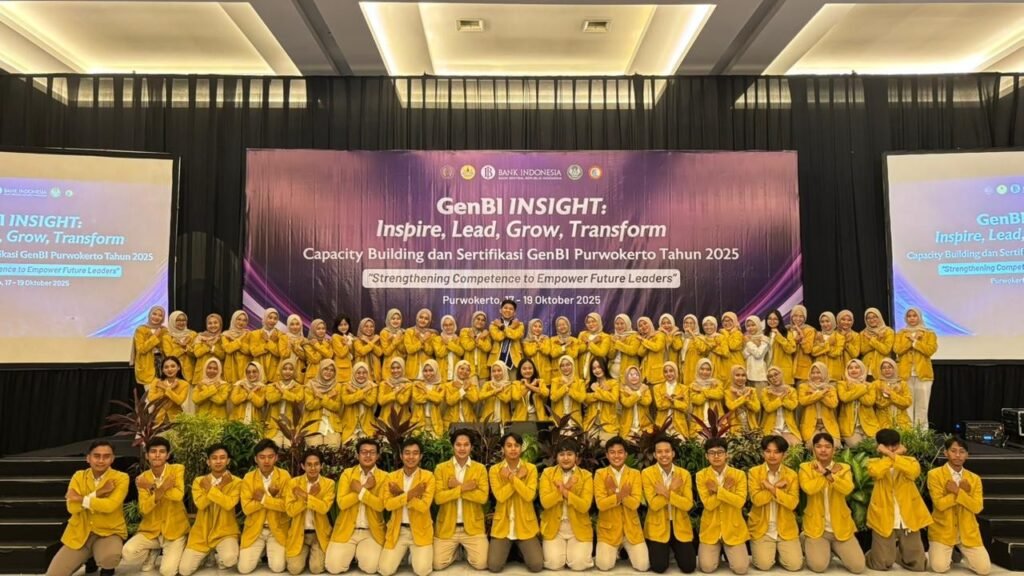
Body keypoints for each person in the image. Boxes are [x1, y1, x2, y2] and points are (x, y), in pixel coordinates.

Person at [46, 440, 129, 576]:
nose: (101, 460)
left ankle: (106, 567)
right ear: (88, 458)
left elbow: (110, 506)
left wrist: (80, 498)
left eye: (106, 456)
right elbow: (72, 508)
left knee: (109, 558)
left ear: (112, 459)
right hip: (80, 533)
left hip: (108, 532)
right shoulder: (78, 476)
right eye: (96, 456)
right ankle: (90, 558)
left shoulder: (121, 478)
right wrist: (98, 493)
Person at [865, 428, 931, 572]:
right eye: (886, 446)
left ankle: (898, 555)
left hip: (908, 516)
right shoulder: (874, 462)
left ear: (899, 444)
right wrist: (892, 455)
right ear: (879, 446)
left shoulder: (909, 461)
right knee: (881, 564)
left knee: (919, 566)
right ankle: (873, 554)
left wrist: (891, 456)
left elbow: (913, 472)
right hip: (884, 516)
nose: (890, 448)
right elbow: (875, 472)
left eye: (894, 445)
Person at [120, 437, 187, 575]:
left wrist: (151, 487)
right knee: (128, 552)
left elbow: (178, 496)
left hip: (174, 531)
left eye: (162, 451)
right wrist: (161, 487)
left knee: (167, 572)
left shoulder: (177, 469)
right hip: (151, 531)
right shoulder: (142, 479)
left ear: (167, 455)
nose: (157, 455)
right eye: (153, 451)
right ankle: (153, 551)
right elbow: (144, 508)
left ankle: (173, 548)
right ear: (147, 455)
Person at [800, 433, 865, 574]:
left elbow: (847, 488)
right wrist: (826, 474)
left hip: (841, 528)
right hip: (817, 529)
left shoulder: (844, 468)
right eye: (819, 446)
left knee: (858, 567)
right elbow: (809, 489)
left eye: (827, 446)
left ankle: (834, 549)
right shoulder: (805, 468)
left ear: (834, 450)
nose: (823, 450)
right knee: (818, 567)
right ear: (813, 449)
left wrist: (827, 474)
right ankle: (805, 538)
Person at [927, 437, 991, 575]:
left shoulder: (974, 479)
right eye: (953, 451)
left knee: (984, 569)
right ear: (946, 453)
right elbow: (940, 505)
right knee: (939, 567)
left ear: (967, 455)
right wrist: (962, 493)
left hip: (967, 532)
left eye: (962, 452)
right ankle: (950, 553)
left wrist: (957, 491)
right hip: (943, 531)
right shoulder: (934, 475)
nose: (957, 455)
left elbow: (977, 507)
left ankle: (961, 555)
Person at [325, 438, 388, 575]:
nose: (368, 455)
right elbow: (342, 503)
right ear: (357, 455)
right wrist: (366, 487)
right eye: (364, 452)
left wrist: (360, 490)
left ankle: (358, 553)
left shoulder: (384, 477)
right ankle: (352, 553)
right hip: (347, 529)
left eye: (372, 452)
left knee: (371, 568)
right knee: (333, 567)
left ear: (377, 455)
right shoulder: (347, 474)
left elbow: (380, 505)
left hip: (371, 532)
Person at [178, 444, 241, 575]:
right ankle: (208, 555)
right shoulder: (199, 481)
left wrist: (211, 489)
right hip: (201, 533)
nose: (218, 461)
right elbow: (201, 504)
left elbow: (229, 504)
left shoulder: (236, 482)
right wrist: (220, 487)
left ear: (228, 461)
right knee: (184, 570)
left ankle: (220, 556)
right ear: (208, 461)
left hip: (225, 532)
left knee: (229, 559)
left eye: (222, 458)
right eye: (214, 458)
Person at [433, 430, 490, 571]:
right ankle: (456, 552)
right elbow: (438, 498)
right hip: (447, 527)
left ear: (471, 447)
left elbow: (483, 498)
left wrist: (457, 486)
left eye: (466, 444)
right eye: (458, 444)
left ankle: (465, 551)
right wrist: (465, 487)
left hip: (473, 527)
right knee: (436, 564)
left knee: (482, 564)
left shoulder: (480, 469)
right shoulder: (441, 468)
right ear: (453, 446)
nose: (462, 448)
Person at [487, 432, 543, 573]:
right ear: (503, 449)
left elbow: (529, 496)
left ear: (521, 448)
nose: (513, 449)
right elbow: (500, 496)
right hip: (502, 526)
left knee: (536, 566)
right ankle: (512, 551)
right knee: (494, 566)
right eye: (509, 445)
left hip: (525, 525)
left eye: (516, 445)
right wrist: (517, 477)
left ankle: (518, 550)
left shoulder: (531, 469)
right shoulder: (495, 470)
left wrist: (512, 478)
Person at [380, 438, 436, 576]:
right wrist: (412, 494)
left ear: (420, 456)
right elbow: (388, 505)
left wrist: (400, 493)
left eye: (415, 453)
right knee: (385, 570)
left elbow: (423, 506)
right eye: (407, 453)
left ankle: (414, 555)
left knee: (422, 571)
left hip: (421, 530)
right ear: (401, 455)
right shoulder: (391, 477)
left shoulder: (428, 477)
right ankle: (405, 553)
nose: (411, 457)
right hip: (398, 531)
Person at [695, 437, 750, 574]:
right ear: (706, 456)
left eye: (720, 452)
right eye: (712, 453)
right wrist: (725, 489)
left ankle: (726, 551)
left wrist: (718, 490)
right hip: (711, 529)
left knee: (741, 569)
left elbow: (739, 502)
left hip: (733, 529)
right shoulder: (701, 476)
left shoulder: (739, 475)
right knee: (707, 568)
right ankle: (718, 553)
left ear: (726, 454)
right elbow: (708, 505)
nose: (716, 456)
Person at [747, 435, 802, 571]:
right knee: (764, 565)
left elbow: (793, 503)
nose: (772, 455)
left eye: (776, 452)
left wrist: (772, 488)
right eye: (768, 451)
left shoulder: (791, 475)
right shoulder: (754, 473)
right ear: (763, 453)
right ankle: (771, 551)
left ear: (784, 454)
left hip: (785, 528)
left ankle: (782, 550)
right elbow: (756, 500)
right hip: (762, 529)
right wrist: (777, 488)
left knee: (794, 566)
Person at [642, 436, 696, 574]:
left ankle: (673, 550)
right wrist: (672, 489)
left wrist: (665, 492)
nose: (664, 455)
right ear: (655, 455)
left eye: (667, 451)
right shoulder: (647, 474)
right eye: (659, 452)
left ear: (673, 453)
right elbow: (654, 505)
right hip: (657, 526)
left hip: (680, 525)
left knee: (689, 567)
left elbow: (687, 505)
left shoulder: (684, 474)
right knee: (659, 567)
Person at [594, 437, 649, 571]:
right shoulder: (600, 474)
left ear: (625, 454)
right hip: (609, 530)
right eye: (612, 452)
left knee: (642, 566)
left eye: (620, 452)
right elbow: (601, 504)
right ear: (607, 455)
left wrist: (615, 491)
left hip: (631, 529)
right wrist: (622, 494)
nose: (616, 456)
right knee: (604, 565)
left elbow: (635, 504)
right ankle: (616, 551)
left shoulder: (635, 474)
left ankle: (623, 550)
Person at [539, 439, 594, 571]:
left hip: (578, 528)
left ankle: (572, 555)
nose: (565, 458)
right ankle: (564, 555)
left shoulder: (586, 476)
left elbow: (585, 506)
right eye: (562, 454)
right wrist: (562, 491)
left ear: (576, 457)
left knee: (579, 565)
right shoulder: (547, 473)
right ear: (556, 457)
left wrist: (566, 492)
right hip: (554, 529)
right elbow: (545, 502)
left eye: (569, 454)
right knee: (554, 564)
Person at [238, 439, 291, 574]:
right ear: (256, 459)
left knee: (278, 567)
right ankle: (262, 551)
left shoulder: (284, 476)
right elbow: (246, 508)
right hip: (256, 529)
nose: (266, 461)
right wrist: (272, 499)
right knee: (244, 569)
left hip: (277, 530)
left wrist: (263, 498)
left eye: (270, 456)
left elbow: (286, 506)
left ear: (276, 457)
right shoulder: (248, 478)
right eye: (262, 457)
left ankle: (267, 551)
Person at [284, 450, 336, 575]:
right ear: (303, 466)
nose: (313, 468)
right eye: (309, 464)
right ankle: (305, 554)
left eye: (316, 464)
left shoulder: (329, 484)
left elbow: (324, 508)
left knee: (316, 569)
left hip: (319, 534)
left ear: (321, 466)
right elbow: (290, 511)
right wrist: (310, 497)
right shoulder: (293, 483)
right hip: (299, 533)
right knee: (294, 569)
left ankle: (313, 554)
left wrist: (305, 496)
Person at [894, 307, 938, 427]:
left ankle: (921, 433)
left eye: (914, 316)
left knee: (922, 406)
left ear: (919, 317)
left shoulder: (929, 333)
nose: (912, 318)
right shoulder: (901, 333)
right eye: (909, 316)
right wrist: (910, 341)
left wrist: (915, 342)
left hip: (923, 375)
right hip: (905, 375)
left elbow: (930, 350)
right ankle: (908, 432)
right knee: (907, 404)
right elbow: (897, 349)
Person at [838, 358, 879, 448]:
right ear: (847, 370)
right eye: (850, 368)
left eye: (857, 367)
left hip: (868, 424)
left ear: (862, 369)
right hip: (849, 426)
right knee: (856, 446)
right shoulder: (842, 384)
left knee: (874, 445)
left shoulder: (870, 385)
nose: (854, 370)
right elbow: (844, 398)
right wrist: (862, 388)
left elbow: (869, 401)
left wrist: (855, 390)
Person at [798, 362, 839, 448]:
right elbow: (803, 401)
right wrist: (821, 393)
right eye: (813, 373)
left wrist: (816, 393)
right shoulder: (804, 386)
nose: (815, 375)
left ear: (824, 373)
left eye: (818, 372)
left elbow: (833, 404)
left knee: (835, 445)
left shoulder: (830, 388)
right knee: (811, 445)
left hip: (828, 424)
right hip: (810, 425)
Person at [266, 359, 306, 444]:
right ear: (280, 370)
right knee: (274, 446)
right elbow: (270, 399)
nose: (287, 372)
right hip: (275, 425)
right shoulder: (272, 386)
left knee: (290, 448)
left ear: (294, 371)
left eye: (291, 369)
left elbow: (297, 399)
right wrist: (284, 392)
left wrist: (281, 390)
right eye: (285, 369)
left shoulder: (299, 387)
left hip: (291, 426)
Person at [304, 359, 343, 448]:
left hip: (332, 425)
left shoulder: (337, 386)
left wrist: (322, 397)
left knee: (333, 449)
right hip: (313, 425)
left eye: (332, 370)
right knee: (315, 449)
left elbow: (337, 407)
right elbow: (310, 405)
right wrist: (329, 396)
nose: (328, 372)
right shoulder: (311, 385)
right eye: (326, 369)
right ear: (320, 369)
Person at [759, 366, 801, 447]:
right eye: (770, 376)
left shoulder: (791, 390)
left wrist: (778, 396)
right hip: (772, 427)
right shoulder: (765, 391)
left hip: (787, 427)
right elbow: (768, 408)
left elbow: (792, 406)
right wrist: (781, 396)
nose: (774, 378)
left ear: (781, 374)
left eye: (776, 374)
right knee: (774, 445)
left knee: (797, 446)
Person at [340, 361, 377, 440]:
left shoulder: (373, 386)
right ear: (353, 373)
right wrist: (364, 390)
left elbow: (370, 402)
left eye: (364, 373)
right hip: (350, 427)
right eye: (358, 373)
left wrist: (354, 392)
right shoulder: (345, 386)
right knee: (349, 446)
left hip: (367, 427)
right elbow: (346, 400)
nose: (361, 375)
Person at [584, 357, 620, 438]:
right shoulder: (590, 383)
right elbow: (586, 399)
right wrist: (603, 394)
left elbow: (613, 398)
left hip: (609, 425)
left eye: (599, 367)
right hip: (592, 424)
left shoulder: (613, 383)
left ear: (604, 367)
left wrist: (597, 390)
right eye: (594, 368)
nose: (597, 370)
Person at [147, 356, 189, 424]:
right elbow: (151, 398)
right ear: (162, 370)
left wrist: (165, 388)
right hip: (157, 419)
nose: (169, 369)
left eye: (173, 366)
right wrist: (170, 388)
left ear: (178, 367)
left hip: (176, 419)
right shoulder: (156, 382)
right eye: (166, 367)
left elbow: (179, 401)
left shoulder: (184, 384)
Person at [653, 361, 689, 438]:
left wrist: (672, 400)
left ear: (675, 371)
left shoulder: (684, 388)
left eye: (671, 371)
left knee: (681, 442)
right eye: (665, 371)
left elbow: (685, 407)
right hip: (662, 424)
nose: (668, 374)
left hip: (678, 426)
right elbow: (660, 406)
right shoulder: (657, 388)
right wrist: (676, 399)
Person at [689, 358, 724, 437]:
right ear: (698, 369)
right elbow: (697, 400)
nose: (705, 372)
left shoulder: (717, 383)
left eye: (708, 369)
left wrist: (702, 390)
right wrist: (711, 392)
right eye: (702, 369)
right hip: (699, 422)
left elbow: (719, 395)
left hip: (716, 421)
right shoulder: (693, 385)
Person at [133, 305, 166, 386]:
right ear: (150, 314)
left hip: (162, 365)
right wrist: (154, 336)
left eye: (160, 315)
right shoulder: (141, 329)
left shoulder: (164, 330)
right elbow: (141, 349)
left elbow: (166, 349)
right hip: (146, 366)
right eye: (154, 314)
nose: (156, 317)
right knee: (150, 392)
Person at [490, 299, 525, 376]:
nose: (508, 310)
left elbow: (514, 336)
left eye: (511, 309)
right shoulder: (494, 324)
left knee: (514, 383)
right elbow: (498, 337)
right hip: (497, 360)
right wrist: (511, 327)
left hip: (514, 361)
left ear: (514, 312)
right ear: (500, 310)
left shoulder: (520, 325)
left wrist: (501, 327)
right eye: (505, 308)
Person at [874, 358, 912, 429]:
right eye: (884, 368)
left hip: (902, 421)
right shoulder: (877, 384)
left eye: (889, 367)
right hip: (883, 421)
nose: (887, 370)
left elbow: (907, 402)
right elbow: (879, 404)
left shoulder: (903, 384)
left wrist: (891, 394)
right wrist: (896, 399)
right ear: (880, 370)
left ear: (894, 368)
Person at [162, 310, 197, 384]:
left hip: (191, 372)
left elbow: (196, 353)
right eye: (178, 320)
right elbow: (169, 356)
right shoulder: (167, 337)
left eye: (184, 320)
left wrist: (186, 347)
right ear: (172, 321)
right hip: (173, 373)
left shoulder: (193, 335)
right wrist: (182, 348)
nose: (181, 322)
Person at [190, 313, 225, 385]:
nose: (213, 325)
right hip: (201, 374)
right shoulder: (200, 337)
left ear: (220, 324)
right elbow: (197, 353)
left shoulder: (223, 338)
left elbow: (223, 355)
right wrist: (208, 347)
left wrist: (212, 348)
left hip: (217, 374)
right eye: (210, 323)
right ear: (206, 325)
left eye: (215, 323)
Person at [414, 359, 446, 437]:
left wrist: (425, 390)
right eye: (425, 371)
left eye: (431, 370)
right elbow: (417, 399)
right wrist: (432, 396)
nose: (428, 373)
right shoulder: (417, 385)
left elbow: (438, 400)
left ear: (436, 370)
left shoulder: (441, 386)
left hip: (435, 421)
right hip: (420, 420)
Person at [725, 365, 760, 435]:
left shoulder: (751, 391)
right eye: (737, 375)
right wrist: (744, 397)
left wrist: (745, 399)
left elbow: (756, 408)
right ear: (732, 376)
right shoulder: (728, 392)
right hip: (735, 428)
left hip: (751, 426)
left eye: (743, 375)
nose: (740, 378)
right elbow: (731, 406)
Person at [549, 356, 585, 424]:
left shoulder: (580, 382)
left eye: (568, 365)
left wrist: (569, 390)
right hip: (559, 419)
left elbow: (581, 398)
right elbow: (553, 397)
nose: (565, 368)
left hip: (574, 419)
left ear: (572, 365)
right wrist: (566, 385)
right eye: (562, 366)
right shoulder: (555, 381)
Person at [619, 365, 653, 437]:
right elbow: (626, 403)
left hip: (644, 427)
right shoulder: (623, 389)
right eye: (631, 375)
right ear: (626, 376)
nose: (634, 376)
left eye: (636, 374)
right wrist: (639, 393)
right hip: (628, 428)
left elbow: (647, 402)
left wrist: (632, 393)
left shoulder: (645, 388)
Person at [861, 307, 895, 380]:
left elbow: (886, 350)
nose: (872, 320)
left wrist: (872, 340)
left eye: (874, 317)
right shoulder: (863, 333)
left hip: (883, 369)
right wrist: (877, 339)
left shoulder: (888, 331)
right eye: (868, 318)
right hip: (866, 370)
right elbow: (862, 350)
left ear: (879, 317)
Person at [230, 361, 268, 426]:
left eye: (254, 371)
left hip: (254, 422)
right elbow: (234, 400)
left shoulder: (262, 387)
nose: (251, 374)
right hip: (238, 420)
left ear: (259, 372)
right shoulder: (239, 384)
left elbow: (259, 403)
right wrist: (249, 393)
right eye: (248, 372)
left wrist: (247, 389)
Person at [442, 359, 479, 424]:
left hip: (468, 421)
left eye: (468, 370)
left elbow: (474, 399)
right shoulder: (448, 386)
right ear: (456, 369)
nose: (464, 372)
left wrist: (462, 388)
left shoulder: (472, 386)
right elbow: (450, 401)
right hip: (451, 421)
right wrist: (463, 389)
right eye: (462, 368)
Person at [764, 309, 796, 385]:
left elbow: (791, 349)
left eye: (775, 319)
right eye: (770, 319)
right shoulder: (764, 334)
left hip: (782, 372)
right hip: (768, 371)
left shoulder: (787, 333)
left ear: (780, 320)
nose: (772, 321)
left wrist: (779, 336)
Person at [252, 308, 284, 381]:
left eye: (275, 318)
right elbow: (254, 352)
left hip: (274, 373)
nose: (272, 321)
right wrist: (269, 346)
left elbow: (279, 353)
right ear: (265, 318)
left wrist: (268, 341)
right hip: (259, 371)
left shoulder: (281, 335)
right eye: (270, 318)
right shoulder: (255, 334)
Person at [812, 312, 845, 381]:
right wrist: (828, 344)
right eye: (822, 322)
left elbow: (836, 353)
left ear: (832, 322)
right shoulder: (817, 335)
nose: (825, 324)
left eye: (827, 321)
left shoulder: (839, 337)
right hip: (818, 374)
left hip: (834, 374)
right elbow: (813, 352)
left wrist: (822, 345)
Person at [514, 358, 550, 422]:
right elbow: (517, 397)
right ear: (520, 370)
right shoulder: (516, 384)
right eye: (524, 369)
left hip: (537, 417)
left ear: (534, 369)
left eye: (530, 368)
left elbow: (545, 393)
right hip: (521, 418)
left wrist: (529, 385)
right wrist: (531, 385)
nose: (527, 371)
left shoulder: (540, 382)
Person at [404, 309, 436, 380]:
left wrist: (421, 342)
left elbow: (431, 351)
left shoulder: (432, 334)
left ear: (429, 321)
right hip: (412, 370)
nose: (423, 320)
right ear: (417, 318)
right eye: (421, 317)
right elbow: (409, 350)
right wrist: (423, 339)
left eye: (426, 319)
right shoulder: (409, 332)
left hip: (428, 371)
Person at [222, 310, 252, 384]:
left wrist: (234, 340)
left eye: (244, 320)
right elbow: (228, 349)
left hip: (245, 367)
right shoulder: (225, 334)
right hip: (231, 367)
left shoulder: (249, 334)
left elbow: (249, 350)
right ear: (233, 319)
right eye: (239, 319)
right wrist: (241, 338)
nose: (241, 322)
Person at [378, 358, 413, 423]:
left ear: (403, 368)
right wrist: (397, 390)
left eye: (398, 368)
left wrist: (393, 388)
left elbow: (403, 401)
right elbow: (381, 401)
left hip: (402, 421)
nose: (395, 370)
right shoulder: (384, 384)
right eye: (393, 368)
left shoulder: (408, 384)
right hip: (386, 420)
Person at [578, 312, 611, 381]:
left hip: (596, 371)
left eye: (593, 321)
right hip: (581, 369)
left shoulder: (605, 337)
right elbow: (578, 350)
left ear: (598, 322)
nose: (591, 324)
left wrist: (589, 342)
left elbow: (602, 353)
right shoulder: (582, 335)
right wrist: (593, 342)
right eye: (588, 322)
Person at [462, 311, 493, 381]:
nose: (480, 321)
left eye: (483, 320)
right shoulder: (465, 331)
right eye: (478, 319)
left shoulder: (486, 334)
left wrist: (475, 337)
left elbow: (487, 348)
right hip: (469, 369)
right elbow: (468, 347)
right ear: (473, 320)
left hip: (483, 371)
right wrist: (479, 338)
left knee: (483, 388)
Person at [609, 313, 641, 380]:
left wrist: (618, 343)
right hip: (613, 373)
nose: (619, 326)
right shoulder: (613, 337)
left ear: (627, 324)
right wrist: (616, 342)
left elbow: (633, 351)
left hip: (629, 372)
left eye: (622, 323)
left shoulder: (634, 336)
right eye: (617, 324)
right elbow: (610, 356)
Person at [637, 316, 668, 386]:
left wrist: (643, 340)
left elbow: (657, 347)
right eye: (640, 326)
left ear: (650, 323)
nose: (643, 326)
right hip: (645, 375)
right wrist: (647, 338)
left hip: (657, 374)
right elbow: (640, 353)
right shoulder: (645, 338)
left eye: (645, 323)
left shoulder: (660, 335)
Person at [789, 305, 816, 382]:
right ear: (791, 317)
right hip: (788, 369)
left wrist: (801, 337)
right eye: (795, 316)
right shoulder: (787, 329)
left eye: (801, 316)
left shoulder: (810, 330)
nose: (798, 319)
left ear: (805, 318)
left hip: (803, 371)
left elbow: (808, 350)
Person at [434, 314, 465, 382]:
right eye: (445, 325)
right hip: (442, 373)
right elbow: (439, 353)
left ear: (454, 326)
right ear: (442, 326)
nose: (448, 327)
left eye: (450, 324)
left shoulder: (458, 339)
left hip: (456, 373)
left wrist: (448, 343)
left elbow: (461, 352)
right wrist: (451, 344)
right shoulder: (437, 339)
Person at [303, 319, 334, 384]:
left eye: (323, 328)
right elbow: (315, 359)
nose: (321, 331)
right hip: (313, 376)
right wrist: (323, 347)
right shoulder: (307, 343)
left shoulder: (327, 343)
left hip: (326, 375)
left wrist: (317, 346)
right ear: (313, 330)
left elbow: (330, 355)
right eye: (318, 329)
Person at [742, 316, 769, 390]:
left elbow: (758, 355)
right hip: (748, 376)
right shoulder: (746, 339)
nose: (750, 328)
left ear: (758, 325)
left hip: (760, 377)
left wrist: (749, 343)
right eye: (748, 326)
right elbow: (744, 355)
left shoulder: (764, 339)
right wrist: (752, 345)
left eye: (753, 325)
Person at [353, 317, 383, 382]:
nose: (369, 328)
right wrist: (372, 342)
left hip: (375, 375)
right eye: (366, 326)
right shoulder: (357, 340)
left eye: (371, 326)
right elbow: (362, 351)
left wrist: (368, 341)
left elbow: (380, 353)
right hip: (362, 375)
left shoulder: (377, 340)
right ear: (361, 327)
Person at [283, 314, 308, 382]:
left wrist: (295, 346)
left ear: (301, 325)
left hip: (299, 372)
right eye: (292, 324)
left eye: (297, 324)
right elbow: (283, 355)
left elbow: (306, 358)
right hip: (286, 370)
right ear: (288, 325)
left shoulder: (304, 340)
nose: (295, 327)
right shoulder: (283, 338)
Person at [330, 314, 354, 383]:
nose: (343, 327)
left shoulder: (349, 336)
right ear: (336, 326)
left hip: (349, 367)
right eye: (340, 325)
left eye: (345, 324)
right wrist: (347, 343)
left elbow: (352, 353)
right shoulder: (335, 337)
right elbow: (341, 353)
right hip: (340, 370)